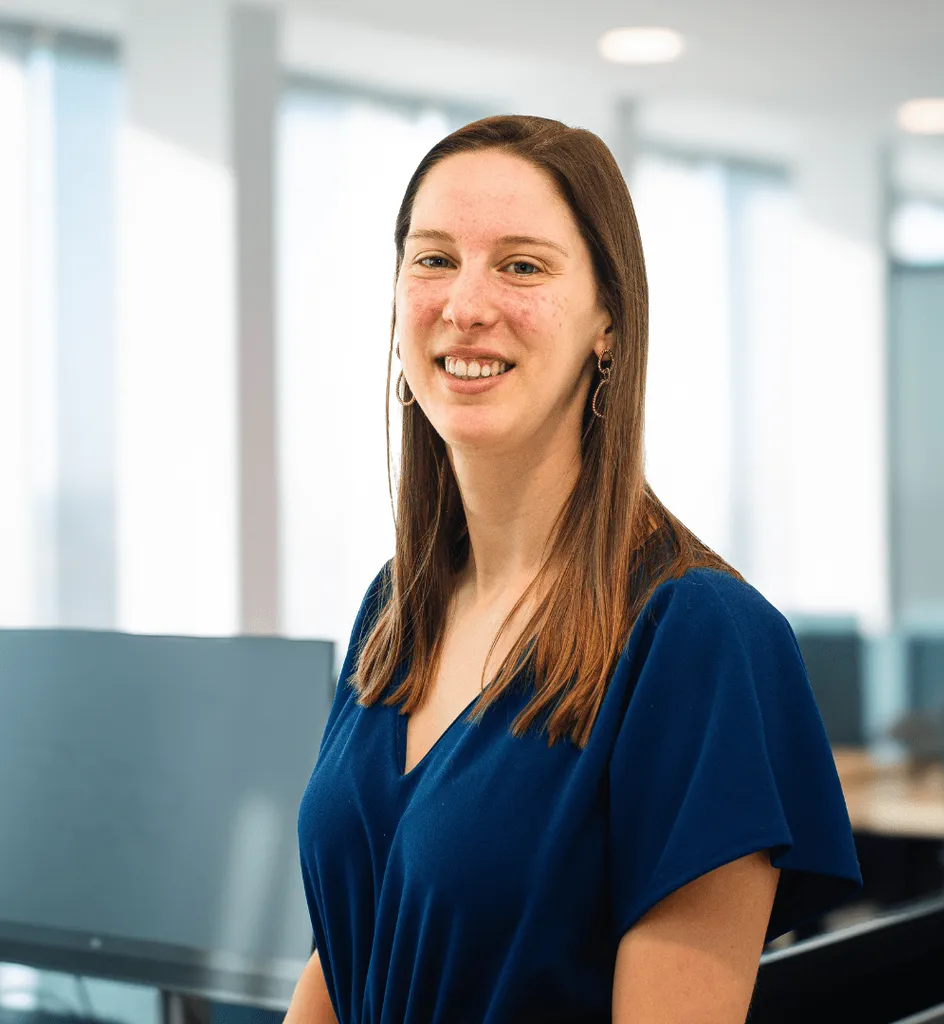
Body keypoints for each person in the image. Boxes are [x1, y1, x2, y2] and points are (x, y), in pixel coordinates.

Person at [291, 114, 862, 1024]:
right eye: (434, 259)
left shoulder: (700, 639)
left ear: (608, 320)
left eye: (521, 266)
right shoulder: (398, 605)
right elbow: (353, 944)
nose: (465, 304)